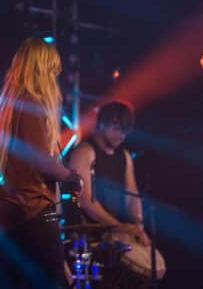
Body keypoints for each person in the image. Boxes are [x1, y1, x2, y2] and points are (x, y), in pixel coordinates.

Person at [0, 37, 82, 289]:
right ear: (43, 72)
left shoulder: (6, 107)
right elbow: (40, 159)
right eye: (53, 72)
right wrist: (72, 177)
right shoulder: (30, 103)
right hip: (31, 215)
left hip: (0, 222)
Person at [65, 101, 152, 288]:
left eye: (125, 129)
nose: (121, 134)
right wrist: (119, 226)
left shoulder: (125, 156)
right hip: (89, 234)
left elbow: (132, 195)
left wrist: (138, 226)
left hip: (117, 233)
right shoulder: (85, 151)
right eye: (116, 127)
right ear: (101, 123)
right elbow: (84, 199)